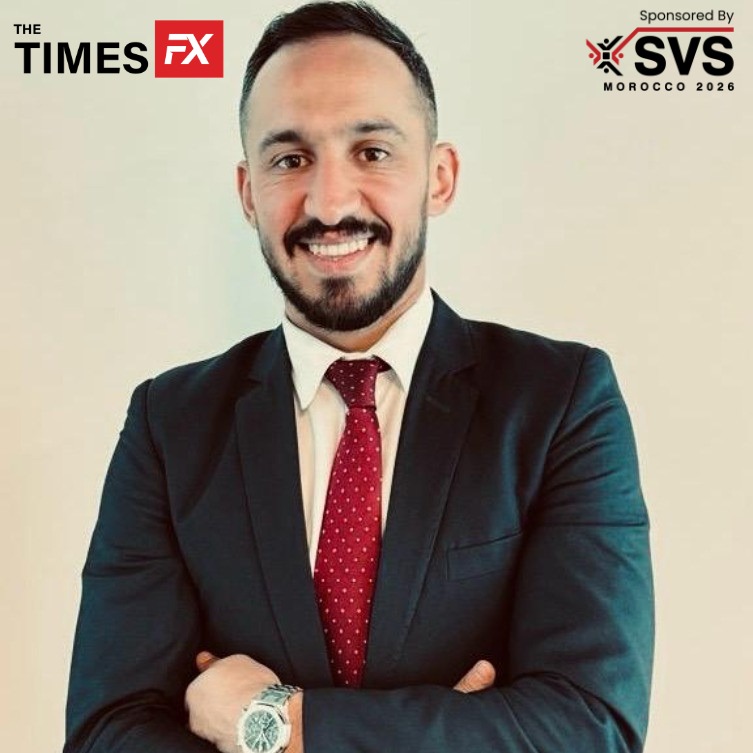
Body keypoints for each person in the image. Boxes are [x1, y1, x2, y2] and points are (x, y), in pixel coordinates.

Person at [64, 3, 654, 752]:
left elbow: (591, 728)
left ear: (438, 177)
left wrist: (271, 724)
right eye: (289, 160)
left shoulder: (559, 400)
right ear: (248, 193)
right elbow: (106, 732)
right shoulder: (170, 422)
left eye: (371, 152)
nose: (330, 203)